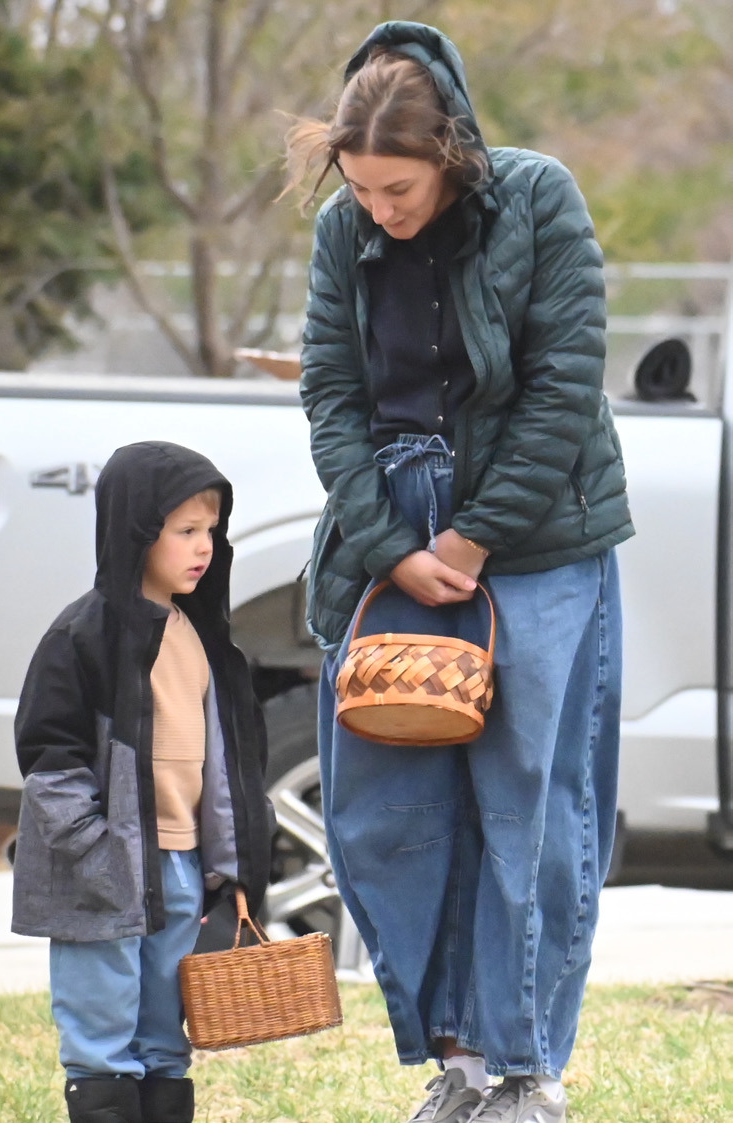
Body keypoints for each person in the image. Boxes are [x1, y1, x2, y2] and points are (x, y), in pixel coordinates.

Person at [285, 20, 634, 1123]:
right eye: (359, 189)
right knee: (385, 813)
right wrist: (390, 544)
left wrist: (472, 539)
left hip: (532, 541)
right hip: (389, 538)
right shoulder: (342, 232)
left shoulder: (538, 197)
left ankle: (526, 1070)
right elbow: (329, 394)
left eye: (397, 188)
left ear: (450, 153)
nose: (378, 210)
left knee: (530, 809)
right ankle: (460, 1064)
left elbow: (563, 386)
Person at [11, 441, 273, 1123]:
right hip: (105, 866)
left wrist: (235, 863)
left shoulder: (205, 637)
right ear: (137, 530)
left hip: (183, 866)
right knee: (101, 1031)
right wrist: (92, 847)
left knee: (165, 1035)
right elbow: (49, 754)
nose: (203, 546)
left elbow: (235, 765)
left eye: (211, 530)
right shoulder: (83, 636)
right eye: (184, 530)